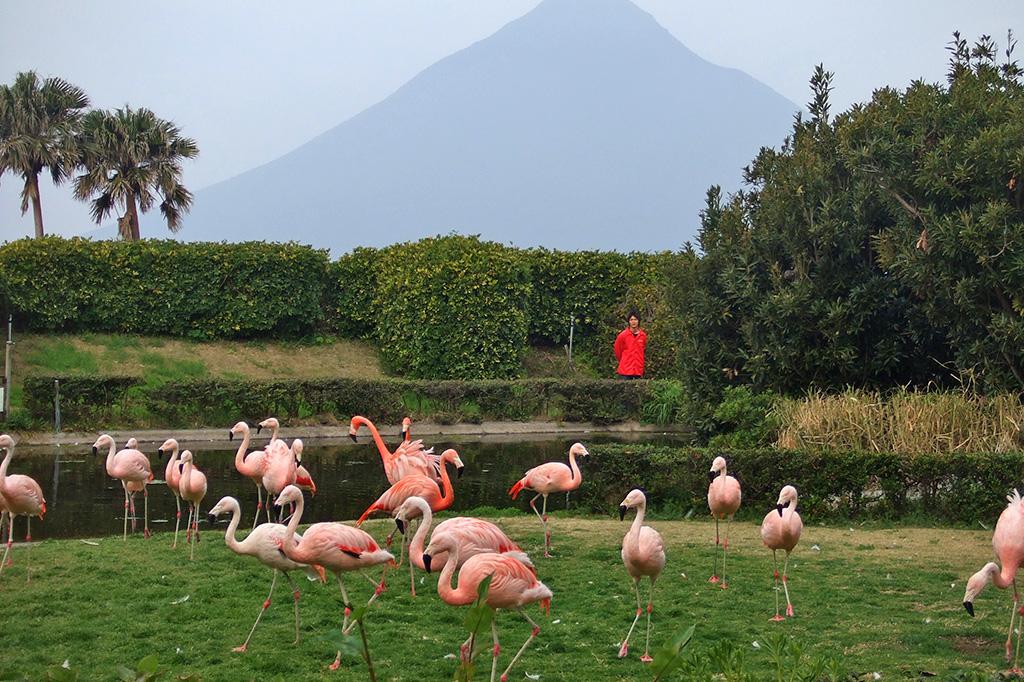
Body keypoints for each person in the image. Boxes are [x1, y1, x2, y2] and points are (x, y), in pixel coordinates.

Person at [614, 310, 646, 379]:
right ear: (628, 321)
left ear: (638, 321)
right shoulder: (623, 335)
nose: (633, 322)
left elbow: (643, 351)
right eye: (631, 320)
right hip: (625, 370)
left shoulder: (643, 335)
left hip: (638, 370)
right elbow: (617, 351)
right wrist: (625, 361)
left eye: (635, 319)